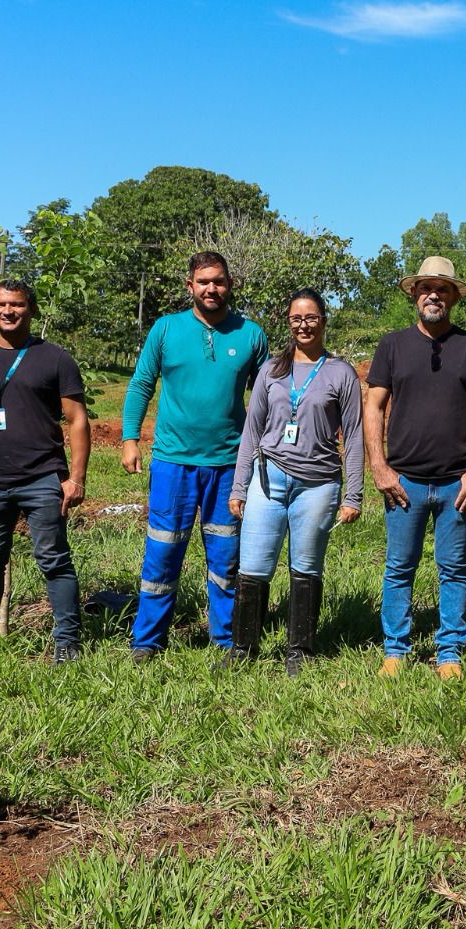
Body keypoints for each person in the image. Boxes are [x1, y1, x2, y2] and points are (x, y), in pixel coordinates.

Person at [120, 252, 269, 665]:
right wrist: (130, 438)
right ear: (190, 286)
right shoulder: (166, 329)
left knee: (226, 556)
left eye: (218, 281)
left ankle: (227, 640)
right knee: (163, 551)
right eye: (203, 281)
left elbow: (268, 397)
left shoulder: (251, 334)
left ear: (230, 284)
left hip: (230, 465)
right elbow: (141, 384)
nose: (211, 289)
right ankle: (148, 641)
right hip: (173, 462)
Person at [363, 256, 466, 680]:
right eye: (426, 288)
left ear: (454, 297)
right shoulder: (392, 346)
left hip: (457, 483)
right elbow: (374, 406)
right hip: (403, 481)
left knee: (453, 569)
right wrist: (379, 467)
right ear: (414, 295)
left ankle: (449, 652)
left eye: (442, 289)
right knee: (398, 567)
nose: (433, 295)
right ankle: (395, 650)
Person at [0, 279, 89, 663]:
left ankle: (67, 643)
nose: (8, 311)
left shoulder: (55, 358)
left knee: (54, 560)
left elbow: (78, 420)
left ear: (32, 309)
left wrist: (76, 478)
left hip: (42, 477)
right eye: (0, 304)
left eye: (17, 305)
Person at [230, 289, 364, 675]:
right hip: (268, 478)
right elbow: (252, 431)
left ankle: (299, 650)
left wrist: (353, 494)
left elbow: (354, 435)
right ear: (288, 322)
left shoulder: (340, 373)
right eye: (296, 319)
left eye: (311, 318)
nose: (303, 325)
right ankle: (243, 648)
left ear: (323, 320)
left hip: (318, 486)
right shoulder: (271, 371)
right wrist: (240, 486)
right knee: (254, 565)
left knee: (306, 567)